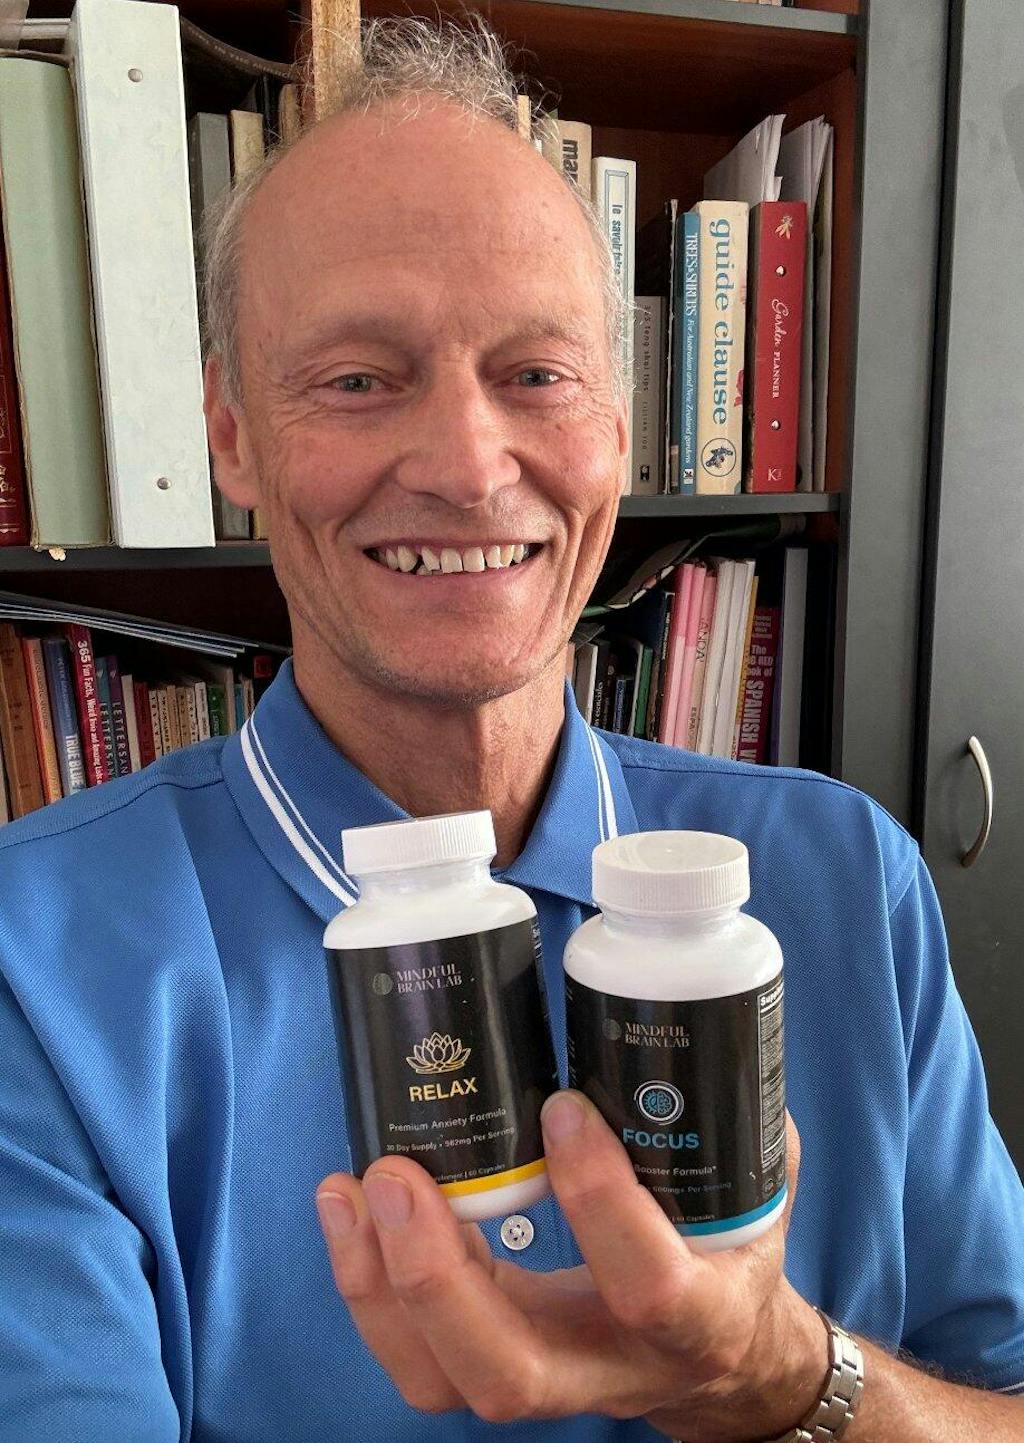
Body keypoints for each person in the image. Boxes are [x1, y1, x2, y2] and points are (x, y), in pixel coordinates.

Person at [1, 14, 1022, 1442]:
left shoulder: (851, 875)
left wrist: (783, 1381)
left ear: (621, 423)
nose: (470, 467)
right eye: (358, 380)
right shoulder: (37, 962)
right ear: (230, 433)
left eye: (538, 373)